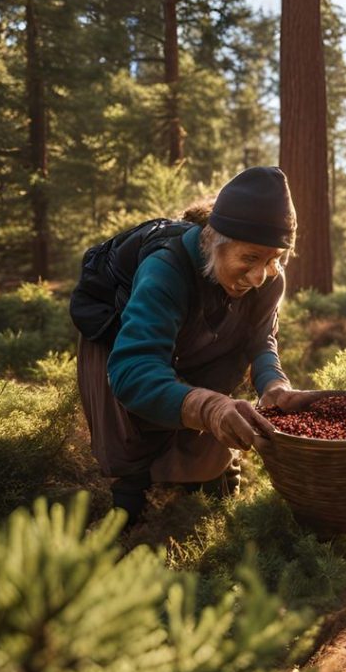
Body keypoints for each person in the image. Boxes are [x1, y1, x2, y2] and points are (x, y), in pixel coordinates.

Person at [76, 165, 314, 525]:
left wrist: (274, 384)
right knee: (136, 419)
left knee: (219, 379)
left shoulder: (268, 278)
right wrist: (207, 408)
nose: (259, 275)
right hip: (121, 340)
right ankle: (129, 500)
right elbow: (133, 370)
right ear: (213, 241)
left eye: (273, 259)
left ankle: (209, 476)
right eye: (249, 258)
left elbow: (260, 338)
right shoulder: (164, 269)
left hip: (201, 332)